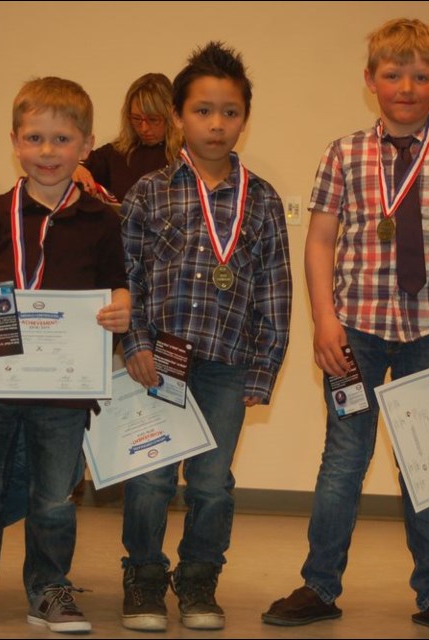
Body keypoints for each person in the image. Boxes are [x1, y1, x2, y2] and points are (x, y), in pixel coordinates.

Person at [262, 18, 429, 639]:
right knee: (343, 459)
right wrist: (324, 321)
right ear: (371, 81)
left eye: (420, 75)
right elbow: (320, 243)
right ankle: (319, 584)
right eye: (393, 74)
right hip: (355, 331)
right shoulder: (344, 152)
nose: (407, 86)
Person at [0, 76, 131, 634]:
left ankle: (48, 589)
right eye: (35, 138)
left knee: (53, 499)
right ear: (15, 142)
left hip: (63, 394)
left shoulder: (101, 219)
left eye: (62, 140)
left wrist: (122, 308)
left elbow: (119, 284)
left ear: (86, 145)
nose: (48, 152)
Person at [119, 41, 291, 632]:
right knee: (150, 479)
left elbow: (275, 289)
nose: (217, 125)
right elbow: (129, 277)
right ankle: (143, 576)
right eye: (202, 111)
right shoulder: (148, 193)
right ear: (178, 117)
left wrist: (263, 368)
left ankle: (198, 580)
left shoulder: (262, 199)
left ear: (245, 116)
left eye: (230, 112)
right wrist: (134, 343)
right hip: (157, 362)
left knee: (213, 485)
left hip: (226, 366)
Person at [72, 72, 181, 203]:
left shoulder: (187, 155)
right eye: (136, 119)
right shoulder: (116, 153)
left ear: (171, 116)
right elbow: (80, 162)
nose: (144, 128)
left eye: (153, 119)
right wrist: (76, 168)